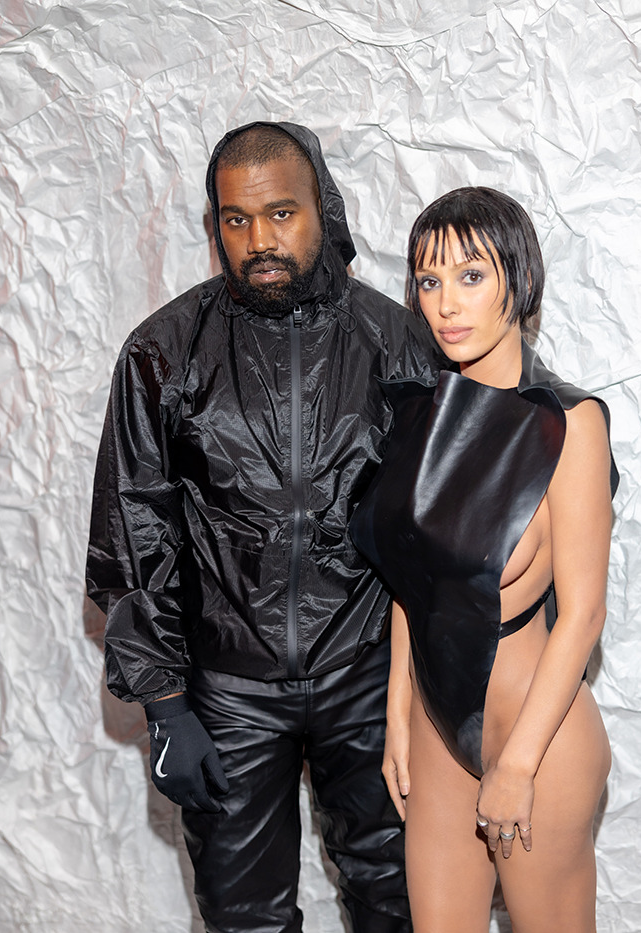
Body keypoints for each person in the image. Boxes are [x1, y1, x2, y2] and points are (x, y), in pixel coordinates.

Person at [86, 121, 444, 933]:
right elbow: (137, 528)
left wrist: (445, 691)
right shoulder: (163, 355)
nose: (259, 241)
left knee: (399, 901)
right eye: (236, 220)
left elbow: (444, 532)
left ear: (324, 206)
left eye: (281, 213)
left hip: (370, 682)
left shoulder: (396, 345)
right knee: (244, 917)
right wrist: (169, 706)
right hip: (228, 693)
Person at [349, 187, 619, 932]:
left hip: (540, 731)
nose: (446, 303)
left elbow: (585, 610)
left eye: (470, 275)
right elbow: (412, 574)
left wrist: (521, 763)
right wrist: (398, 715)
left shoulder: (569, 422)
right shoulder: (415, 409)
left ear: (519, 278)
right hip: (438, 727)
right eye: (429, 281)